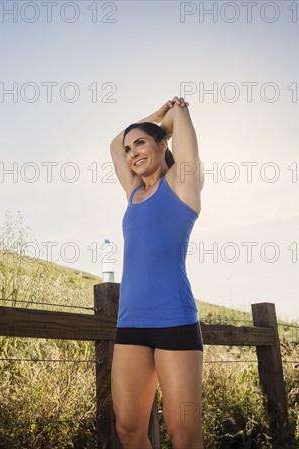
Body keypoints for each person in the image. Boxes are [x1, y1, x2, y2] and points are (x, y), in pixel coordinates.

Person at [109, 96, 205, 449]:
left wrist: (172, 113)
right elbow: (112, 146)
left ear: (163, 144)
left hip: (174, 322)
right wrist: (153, 119)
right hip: (131, 323)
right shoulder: (133, 192)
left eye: (141, 144)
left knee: (184, 434)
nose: (132, 153)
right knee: (129, 430)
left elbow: (182, 128)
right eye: (129, 148)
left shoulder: (183, 183)